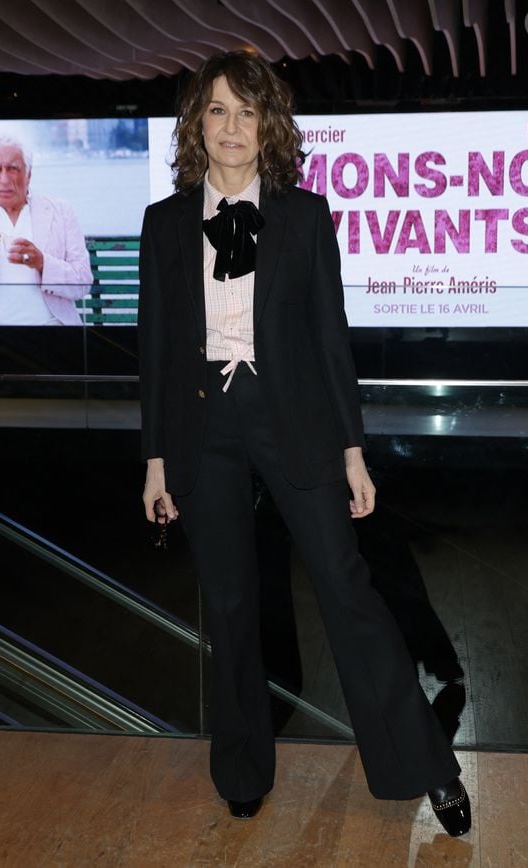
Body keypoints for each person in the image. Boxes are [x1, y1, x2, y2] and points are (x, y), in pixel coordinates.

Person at [138, 51, 471, 836]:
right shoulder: (162, 225)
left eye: (247, 112)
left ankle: (429, 769)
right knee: (229, 605)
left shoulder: (306, 215)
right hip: (201, 426)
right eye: (216, 111)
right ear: (197, 124)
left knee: (349, 595)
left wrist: (353, 453)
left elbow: (331, 341)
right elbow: (154, 351)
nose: (231, 127)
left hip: (294, 419)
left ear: (269, 127)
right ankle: (243, 767)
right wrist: (155, 461)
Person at [0, 136, 92, 325]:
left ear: (29, 174)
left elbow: (83, 283)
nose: (4, 179)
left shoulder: (60, 211)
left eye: (13, 168)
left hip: (51, 331)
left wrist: (42, 263)